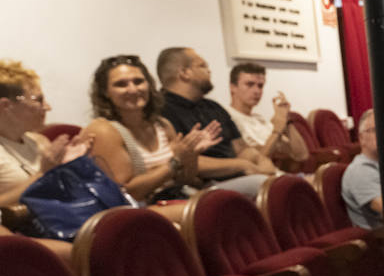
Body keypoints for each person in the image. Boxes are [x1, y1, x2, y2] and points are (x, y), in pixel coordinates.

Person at [85, 54, 219, 211]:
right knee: (211, 211)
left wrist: (190, 155)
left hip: (173, 200)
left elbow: (185, 179)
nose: (133, 89)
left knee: (227, 205)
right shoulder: (104, 130)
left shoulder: (162, 124)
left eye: (138, 82)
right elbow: (128, 193)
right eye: (121, 84)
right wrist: (174, 163)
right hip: (139, 211)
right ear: (106, 92)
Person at [156, 46, 275, 196]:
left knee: (286, 182)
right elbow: (179, 160)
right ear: (185, 73)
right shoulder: (161, 110)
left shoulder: (213, 107)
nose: (209, 71)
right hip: (202, 186)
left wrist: (260, 160)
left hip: (240, 177)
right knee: (267, 187)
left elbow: (242, 148)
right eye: (202, 66)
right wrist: (240, 165)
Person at [0, 59, 90, 206]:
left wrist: (70, 164)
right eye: (39, 100)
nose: (48, 107)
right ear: (6, 105)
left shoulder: (39, 141)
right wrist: (43, 174)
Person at [225, 62, 309, 168]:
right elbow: (255, 163)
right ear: (233, 87)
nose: (257, 91)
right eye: (250, 84)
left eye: (260, 86)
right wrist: (277, 130)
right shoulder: (227, 117)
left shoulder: (260, 120)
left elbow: (301, 155)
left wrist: (287, 120)